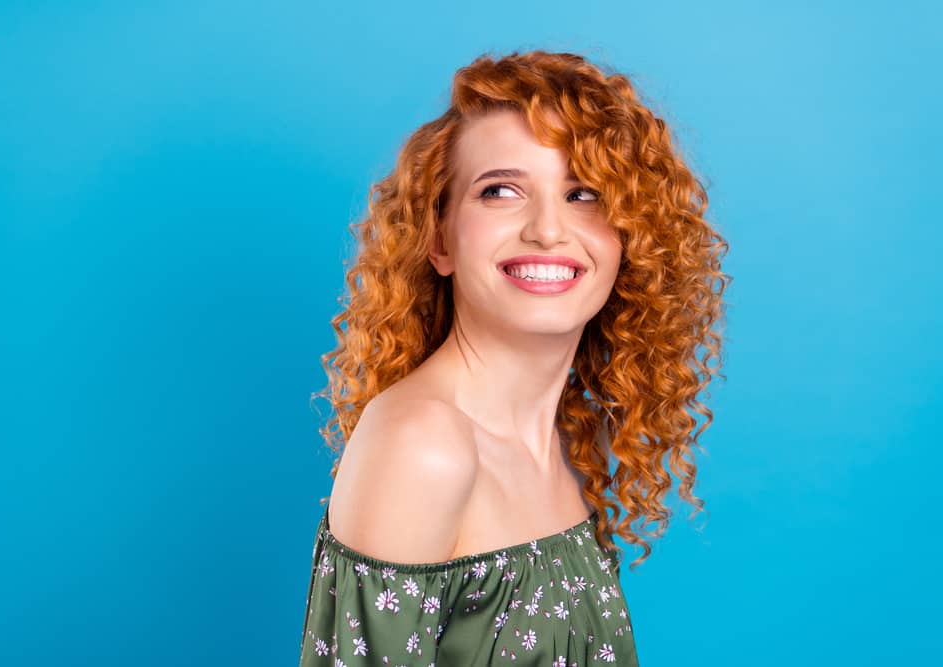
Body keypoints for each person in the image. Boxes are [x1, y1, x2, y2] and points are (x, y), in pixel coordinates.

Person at [299, 49, 730, 665]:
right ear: (439, 238)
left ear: (631, 237)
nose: (548, 230)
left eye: (584, 193)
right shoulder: (422, 443)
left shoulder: (568, 439)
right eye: (500, 191)